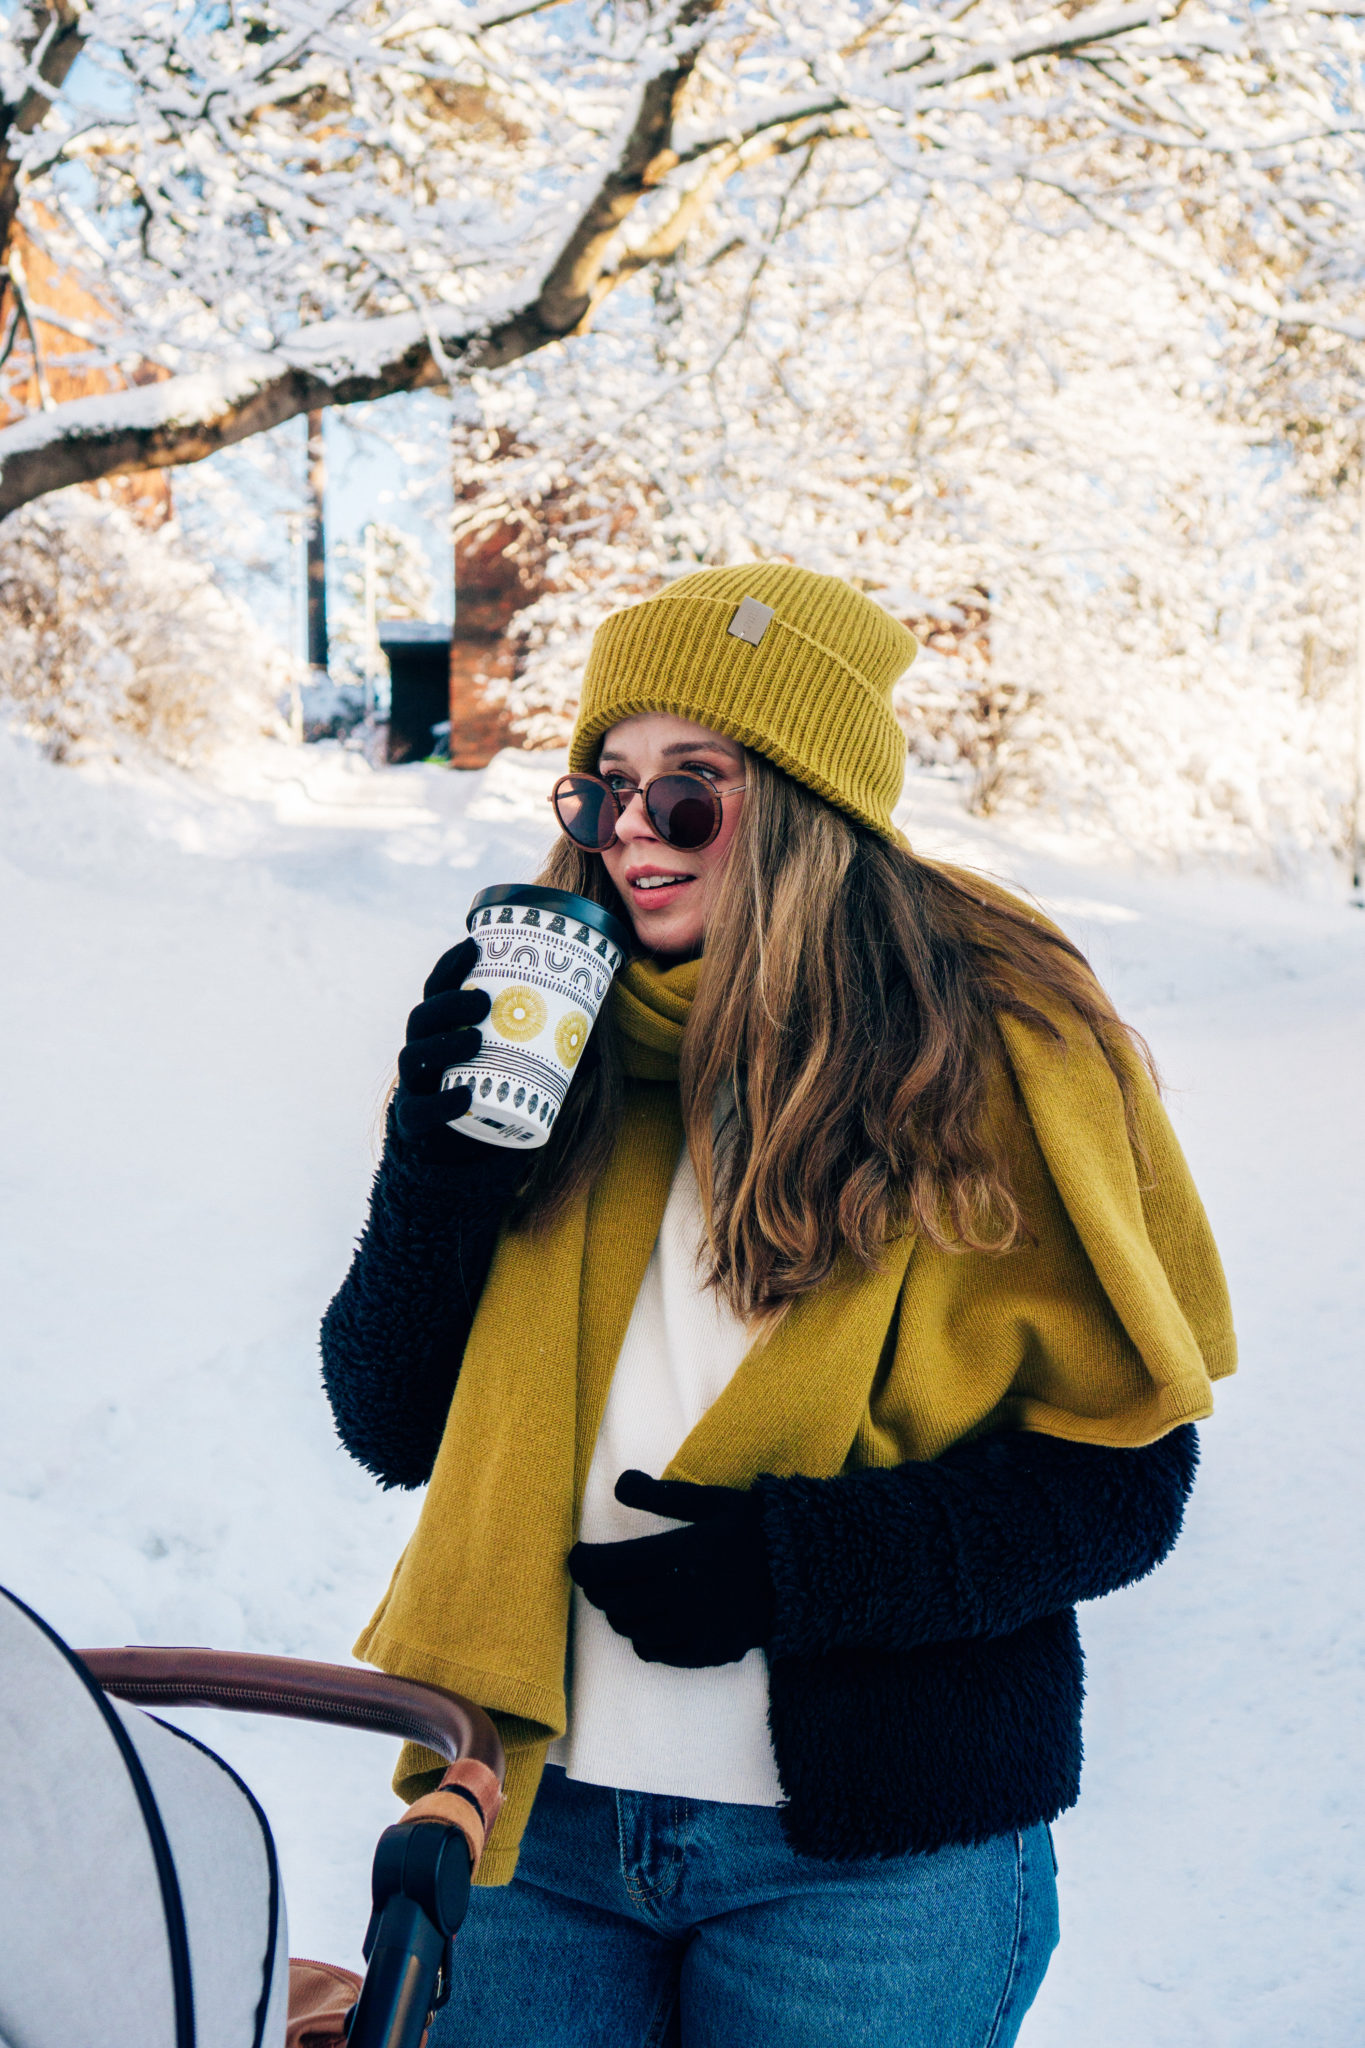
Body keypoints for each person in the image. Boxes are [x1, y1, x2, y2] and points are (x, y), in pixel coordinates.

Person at [322, 564, 1235, 2047]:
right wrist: (435, 1173)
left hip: (869, 1868)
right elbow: (387, 1424)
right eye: (605, 789)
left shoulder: (999, 1059)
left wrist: (796, 1572)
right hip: (534, 1828)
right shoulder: (549, 1052)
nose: (633, 827)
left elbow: (1124, 1486)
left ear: (810, 805)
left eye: (690, 790)